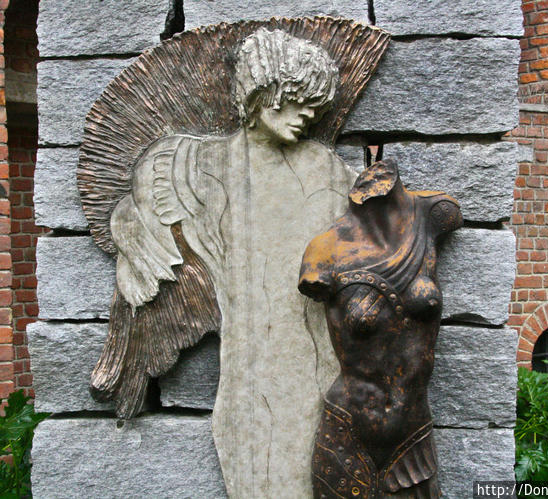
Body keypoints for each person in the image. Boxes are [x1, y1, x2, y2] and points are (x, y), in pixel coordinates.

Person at [92, 28, 357, 498]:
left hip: (321, 348)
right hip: (249, 356)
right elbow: (137, 214)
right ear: (263, 92)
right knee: (255, 454)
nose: (308, 115)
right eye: (298, 100)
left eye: (316, 106)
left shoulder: (328, 169)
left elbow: (373, 230)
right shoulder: (199, 164)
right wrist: (133, 238)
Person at [299, 159, 463, 498]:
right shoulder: (325, 250)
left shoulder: (431, 217)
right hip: (349, 430)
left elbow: (452, 211)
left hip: (413, 431)